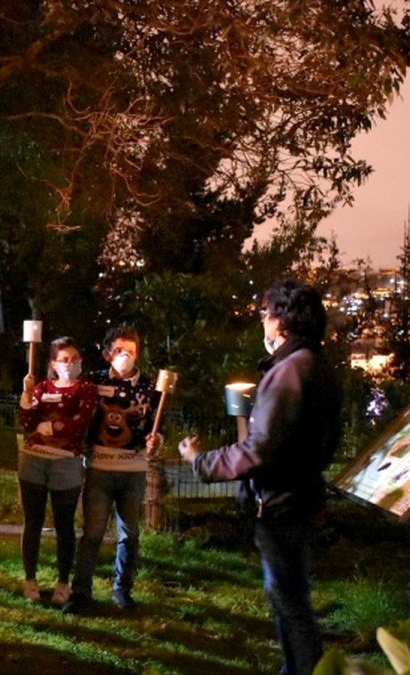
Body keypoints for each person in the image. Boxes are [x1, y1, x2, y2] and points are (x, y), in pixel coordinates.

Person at [178, 279, 341, 675]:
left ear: (282, 320)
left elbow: (258, 448)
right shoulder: (318, 367)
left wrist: (200, 461)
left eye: (266, 314)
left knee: (290, 601)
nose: (263, 323)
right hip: (301, 498)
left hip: (281, 505)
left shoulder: (290, 372)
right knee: (288, 596)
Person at [64, 325, 158, 615]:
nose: (125, 356)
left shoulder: (150, 387)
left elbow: (157, 424)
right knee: (92, 533)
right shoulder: (93, 382)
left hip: (133, 470)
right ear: (107, 354)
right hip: (100, 468)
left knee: (129, 535)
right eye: (119, 350)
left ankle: (122, 590)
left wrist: (157, 438)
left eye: (131, 351)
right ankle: (81, 592)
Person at [17, 337, 98, 605]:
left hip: (66, 462)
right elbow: (28, 421)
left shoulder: (86, 389)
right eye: (64, 359)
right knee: (33, 522)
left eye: (75, 359)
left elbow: (80, 421)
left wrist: (49, 427)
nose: (70, 363)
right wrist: (27, 396)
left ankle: (63, 582)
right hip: (34, 460)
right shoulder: (41, 388)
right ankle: (30, 580)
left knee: (65, 525)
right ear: (53, 363)